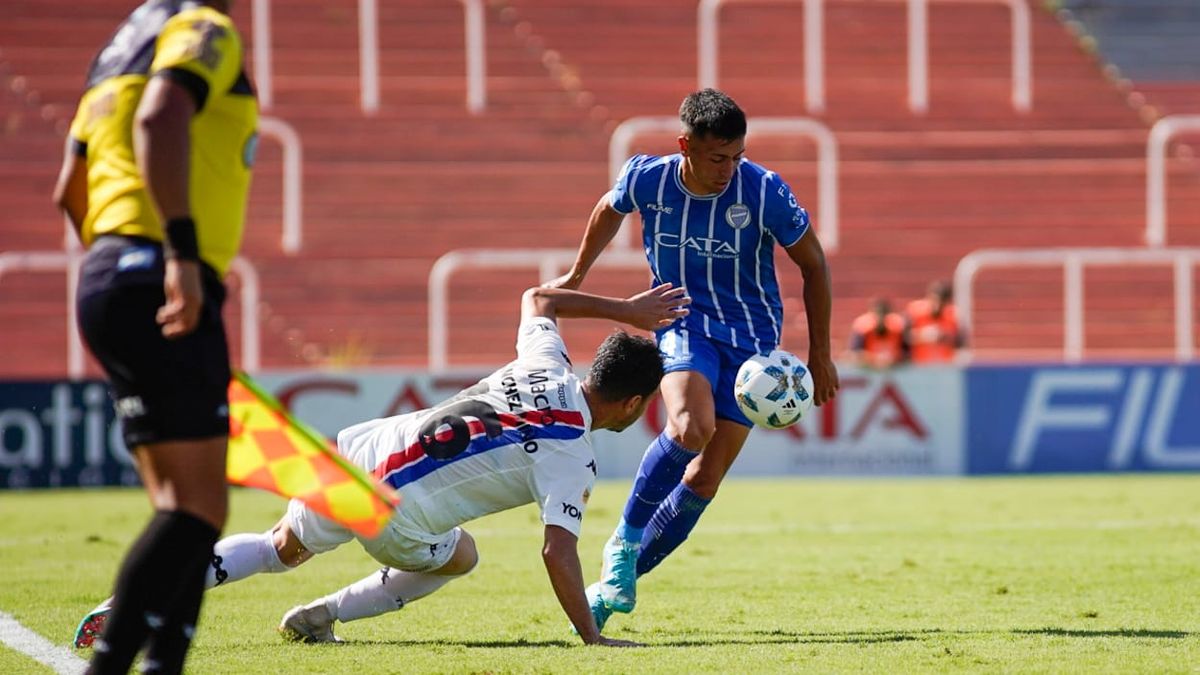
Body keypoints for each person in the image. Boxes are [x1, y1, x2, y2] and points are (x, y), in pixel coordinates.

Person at [75, 284, 691, 648]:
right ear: (634, 404)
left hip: (358, 454)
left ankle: (135, 602)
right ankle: (328, 614)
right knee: (463, 554)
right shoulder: (573, 459)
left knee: (278, 546)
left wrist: (626, 310)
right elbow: (558, 554)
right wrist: (591, 636)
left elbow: (539, 298)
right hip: (396, 520)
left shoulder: (546, 362)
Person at [544, 88, 839, 631]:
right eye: (716, 157)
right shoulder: (648, 178)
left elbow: (814, 264)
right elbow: (609, 208)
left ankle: (609, 593)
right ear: (686, 145)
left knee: (705, 479)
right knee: (688, 428)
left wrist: (820, 353)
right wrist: (578, 274)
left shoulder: (765, 190)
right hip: (682, 321)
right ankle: (625, 540)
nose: (728, 169)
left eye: (737, 156)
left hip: (752, 342)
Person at [53, 1, 257, 672]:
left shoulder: (119, 48)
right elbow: (161, 116)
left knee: (184, 507)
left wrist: (121, 256)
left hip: (108, 273)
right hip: (159, 274)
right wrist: (177, 252)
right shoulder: (203, 30)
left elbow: (70, 191)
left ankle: (163, 663)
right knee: (198, 510)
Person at [905, 280, 965, 364]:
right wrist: (923, 335)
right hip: (920, 365)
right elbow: (903, 339)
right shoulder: (915, 311)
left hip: (944, 365)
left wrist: (944, 337)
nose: (937, 305)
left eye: (941, 302)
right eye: (935, 300)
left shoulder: (952, 314)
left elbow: (961, 342)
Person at [848, 297, 909, 369]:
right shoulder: (863, 328)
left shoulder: (898, 327)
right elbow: (854, 353)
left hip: (893, 369)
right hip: (869, 369)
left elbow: (907, 353)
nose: (881, 318)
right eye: (878, 313)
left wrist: (894, 358)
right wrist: (873, 359)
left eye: (884, 314)